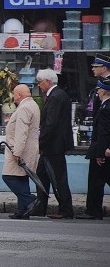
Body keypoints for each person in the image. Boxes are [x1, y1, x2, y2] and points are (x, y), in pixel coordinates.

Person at [31, 68, 74, 219]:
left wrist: (41, 141)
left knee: (58, 178)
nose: (39, 86)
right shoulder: (57, 94)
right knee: (41, 175)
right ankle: (40, 206)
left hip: (53, 145)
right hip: (52, 145)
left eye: (40, 82)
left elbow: (51, 123)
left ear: (48, 82)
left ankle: (66, 209)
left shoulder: (55, 96)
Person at [1, 84, 41, 219]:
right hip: (29, 149)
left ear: (18, 95)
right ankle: (23, 210)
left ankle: (30, 200)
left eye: (14, 95)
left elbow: (21, 132)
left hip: (20, 150)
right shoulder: (33, 105)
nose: (14, 98)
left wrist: (17, 152)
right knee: (22, 178)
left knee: (8, 176)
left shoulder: (24, 108)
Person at [78, 76, 110, 220]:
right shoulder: (104, 106)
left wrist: (101, 153)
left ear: (104, 91)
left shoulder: (105, 108)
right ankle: (93, 210)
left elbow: (104, 132)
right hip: (102, 149)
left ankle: (93, 210)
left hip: (101, 151)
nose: (97, 92)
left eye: (98, 89)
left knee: (96, 182)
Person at [86, 53, 110, 120]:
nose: (92, 69)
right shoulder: (101, 81)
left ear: (104, 68)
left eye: (96, 67)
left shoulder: (107, 83)